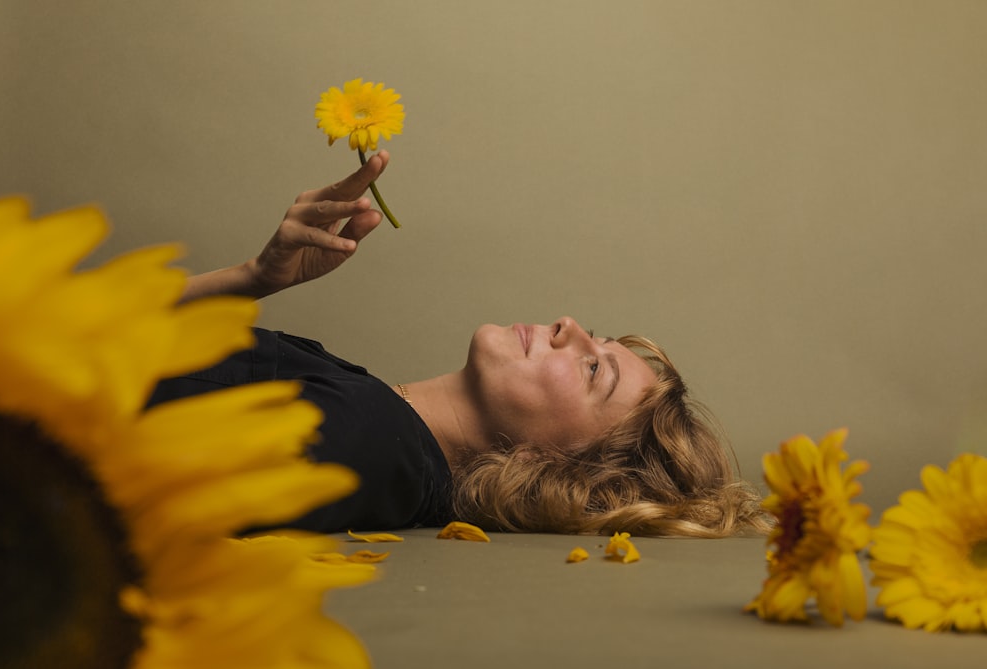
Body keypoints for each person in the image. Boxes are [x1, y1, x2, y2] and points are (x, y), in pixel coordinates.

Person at [150, 151, 767, 537]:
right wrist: (252, 278)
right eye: (595, 339)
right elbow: (104, 351)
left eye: (590, 370)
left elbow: (125, 474)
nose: (568, 325)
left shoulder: (367, 437)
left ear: (564, 470)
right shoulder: (379, 418)